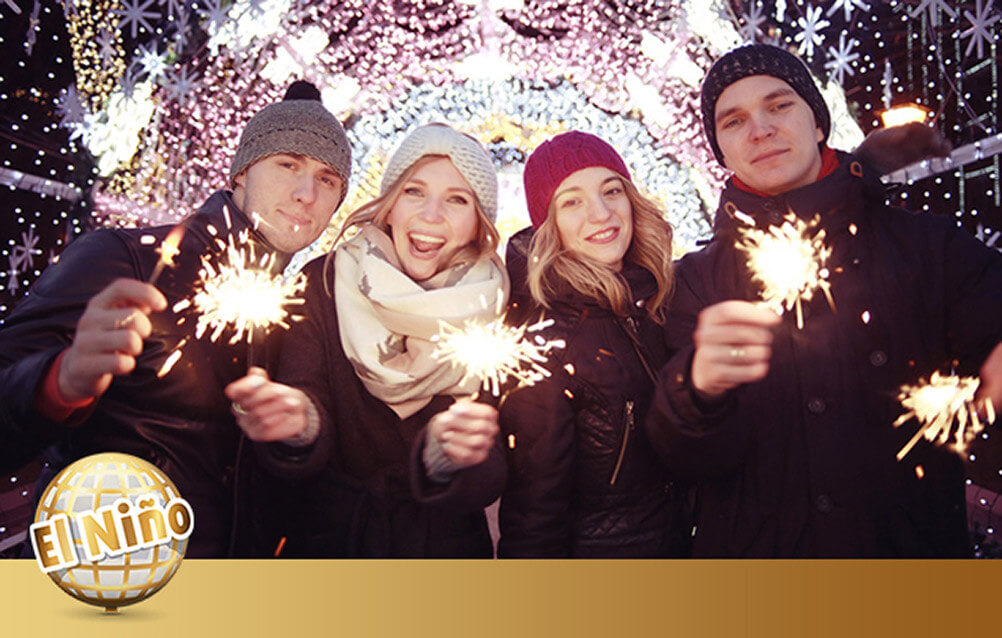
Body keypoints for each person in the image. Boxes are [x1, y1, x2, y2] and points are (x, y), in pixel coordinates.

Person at [645, 43, 1002, 557]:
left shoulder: (929, 249)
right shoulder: (696, 283)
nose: (760, 129)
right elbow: (682, 459)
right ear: (722, 152)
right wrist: (696, 390)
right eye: (734, 120)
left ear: (817, 122)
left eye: (779, 105)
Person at [0, 81, 352, 557]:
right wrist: (58, 382)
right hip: (99, 582)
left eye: (327, 179)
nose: (306, 193)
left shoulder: (297, 310)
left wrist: (302, 435)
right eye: (287, 164)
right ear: (242, 173)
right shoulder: (128, 260)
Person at [225, 123, 508, 557]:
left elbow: (498, 463)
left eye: (457, 199)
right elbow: (306, 391)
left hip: (443, 557)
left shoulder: (497, 304)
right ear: (390, 206)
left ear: (477, 223)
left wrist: (446, 456)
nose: (430, 215)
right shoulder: (325, 281)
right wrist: (301, 423)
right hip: (331, 551)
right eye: (414, 192)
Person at [496, 131, 690, 557]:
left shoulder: (661, 301)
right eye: (572, 201)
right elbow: (535, 512)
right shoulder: (544, 339)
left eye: (611, 191)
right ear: (549, 226)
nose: (601, 214)